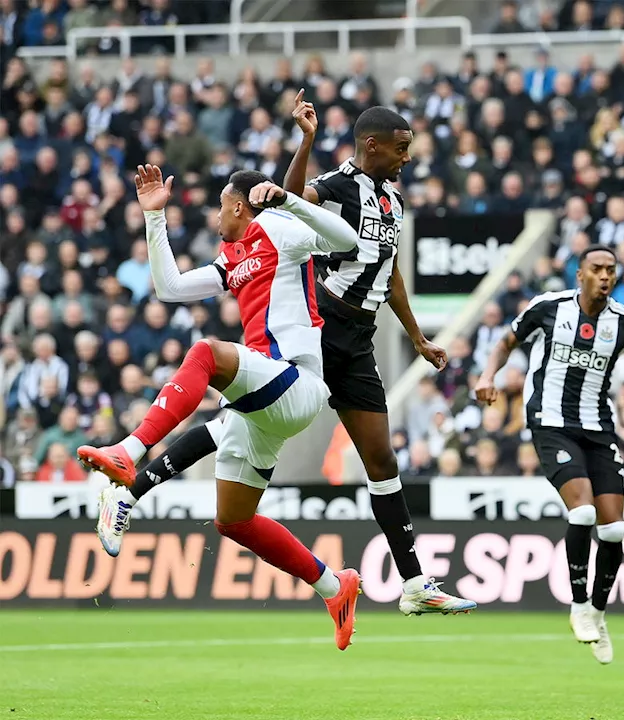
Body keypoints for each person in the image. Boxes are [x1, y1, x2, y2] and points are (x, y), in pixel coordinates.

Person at [96, 95, 478, 617]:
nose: (407, 157)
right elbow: (283, 201)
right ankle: (131, 484)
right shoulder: (337, 186)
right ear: (374, 145)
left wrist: (415, 336)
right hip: (325, 324)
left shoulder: (393, 200)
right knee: (237, 410)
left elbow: (387, 272)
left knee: (380, 460)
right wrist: (305, 144)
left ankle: (412, 585)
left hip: (359, 341)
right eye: (402, 148)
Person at [79, 165, 361, 650]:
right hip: (266, 404)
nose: (213, 218)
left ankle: (130, 451)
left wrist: (290, 201)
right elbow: (169, 288)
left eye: (218, 207)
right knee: (234, 521)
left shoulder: (280, 229)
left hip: (297, 380)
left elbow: (347, 240)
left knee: (206, 353)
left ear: (237, 205)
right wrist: (154, 218)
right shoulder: (232, 258)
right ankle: (334, 587)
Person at [475, 244, 624, 665]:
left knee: (614, 531)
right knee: (584, 513)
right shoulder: (548, 308)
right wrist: (486, 374)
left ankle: (597, 613)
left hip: (598, 428)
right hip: (551, 424)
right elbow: (505, 341)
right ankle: (577, 603)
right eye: (596, 269)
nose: (605, 276)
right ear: (580, 275)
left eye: (611, 269)